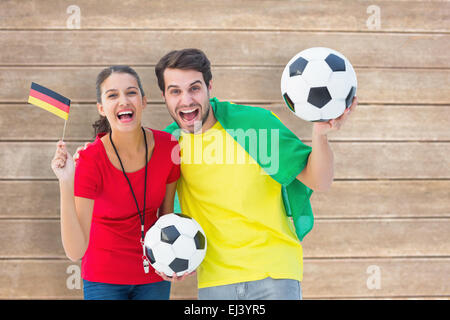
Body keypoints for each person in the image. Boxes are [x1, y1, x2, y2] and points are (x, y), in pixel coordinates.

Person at [154, 48, 357, 300]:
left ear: (209, 86)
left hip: (274, 273)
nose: (186, 100)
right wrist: (166, 258)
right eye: (175, 91)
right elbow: (161, 214)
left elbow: (320, 181)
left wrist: (320, 135)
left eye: (194, 88)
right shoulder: (168, 146)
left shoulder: (255, 126)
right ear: (163, 95)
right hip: (215, 279)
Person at [51, 65, 181, 300]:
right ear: (102, 108)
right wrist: (66, 180)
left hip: (154, 275)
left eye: (131, 93)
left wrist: (175, 261)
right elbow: (75, 251)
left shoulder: (169, 147)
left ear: (143, 101)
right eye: (112, 95)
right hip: (103, 279)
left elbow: (166, 218)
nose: (123, 100)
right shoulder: (90, 160)